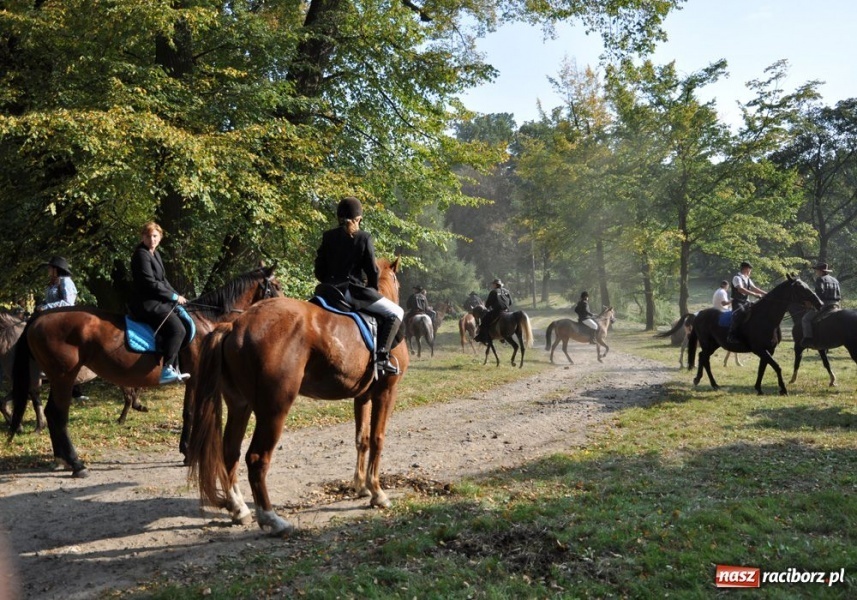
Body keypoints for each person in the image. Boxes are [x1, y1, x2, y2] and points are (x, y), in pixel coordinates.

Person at [314, 196, 404, 376]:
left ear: (338, 218)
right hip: (352, 292)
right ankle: (382, 358)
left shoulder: (327, 236)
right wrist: (372, 290)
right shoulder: (363, 237)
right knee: (397, 313)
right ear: (358, 218)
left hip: (327, 292)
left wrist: (329, 282)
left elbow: (319, 271)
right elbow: (373, 271)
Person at [130, 221, 190, 385]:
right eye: (148, 236)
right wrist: (172, 297)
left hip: (157, 299)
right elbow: (150, 283)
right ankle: (167, 369)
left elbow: (162, 280)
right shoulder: (141, 255)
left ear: (160, 238)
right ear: (143, 237)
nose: (152, 239)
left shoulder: (154, 253)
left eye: (155, 236)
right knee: (178, 330)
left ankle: (176, 366)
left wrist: (177, 296)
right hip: (147, 303)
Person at [36, 256, 89, 399]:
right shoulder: (52, 283)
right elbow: (51, 301)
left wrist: (46, 307)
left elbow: (68, 302)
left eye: (50, 267)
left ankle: (76, 390)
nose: (48, 270)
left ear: (56, 269)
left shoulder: (66, 282)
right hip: (51, 319)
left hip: (63, 320)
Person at [801, 262, 841, 349]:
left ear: (821, 271)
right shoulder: (835, 280)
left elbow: (819, 294)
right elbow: (839, 294)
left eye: (817, 270)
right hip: (836, 305)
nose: (816, 272)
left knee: (805, 319)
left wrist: (811, 303)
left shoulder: (820, 279)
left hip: (824, 305)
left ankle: (808, 339)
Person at [726, 261, 766, 345]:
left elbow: (754, 288)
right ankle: (731, 335)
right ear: (746, 269)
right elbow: (740, 289)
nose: (750, 271)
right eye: (750, 269)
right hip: (737, 302)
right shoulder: (737, 278)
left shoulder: (747, 279)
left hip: (746, 301)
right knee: (740, 313)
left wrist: (766, 293)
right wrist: (754, 294)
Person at [474, 279, 512, 343]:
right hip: (507, 311)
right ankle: (503, 338)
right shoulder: (507, 291)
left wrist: (488, 307)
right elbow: (510, 302)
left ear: (495, 285)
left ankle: (484, 338)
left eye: (493, 284)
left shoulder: (493, 292)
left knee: (485, 320)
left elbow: (487, 304)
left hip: (497, 311)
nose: (492, 285)